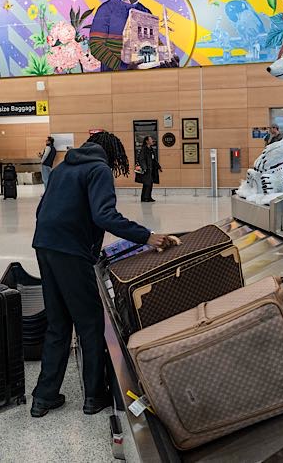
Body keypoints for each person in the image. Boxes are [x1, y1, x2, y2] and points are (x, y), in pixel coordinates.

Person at [30, 131, 174, 417]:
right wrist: (147, 236)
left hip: (44, 245)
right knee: (90, 323)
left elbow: (41, 210)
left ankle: (43, 397)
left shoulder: (61, 168)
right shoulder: (99, 169)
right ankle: (94, 397)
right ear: (112, 153)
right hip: (70, 251)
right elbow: (104, 215)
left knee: (58, 323)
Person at [89, 0, 178, 71]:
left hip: (146, 80)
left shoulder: (146, 11)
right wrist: (124, 68)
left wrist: (166, 61)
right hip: (114, 80)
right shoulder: (107, 8)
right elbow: (96, 45)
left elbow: (154, 46)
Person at [137, 135, 161, 202]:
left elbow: (154, 159)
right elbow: (141, 159)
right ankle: (144, 198)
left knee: (150, 183)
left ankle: (148, 197)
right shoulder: (144, 149)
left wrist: (158, 166)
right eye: (150, 139)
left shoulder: (151, 149)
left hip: (151, 169)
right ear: (147, 141)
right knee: (147, 184)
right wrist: (144, 168)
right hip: (147, 169)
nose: (152, 140)